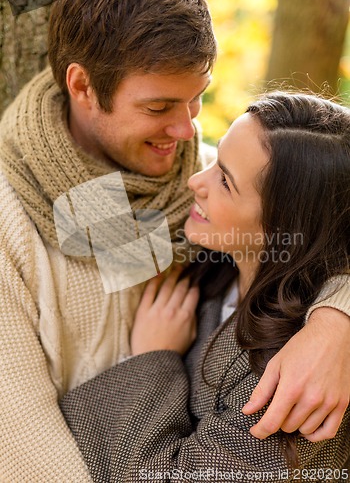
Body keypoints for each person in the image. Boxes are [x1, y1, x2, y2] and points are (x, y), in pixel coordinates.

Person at [0, 0, 348, 480]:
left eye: (197, 99)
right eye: (159, 107)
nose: (188, 134)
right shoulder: (11, 229)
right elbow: (28, 454)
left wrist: (338, 322)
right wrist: (156, 361)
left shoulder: (219, 198)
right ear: (81, 86)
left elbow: (322, 228)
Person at [60, 92, 350, 482]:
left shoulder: (295, 381)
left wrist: (153, 359)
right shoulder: (213, 255)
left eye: (225, 182)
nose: (196, 180)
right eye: (215, 160)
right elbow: (69, 209)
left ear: (283, 226)